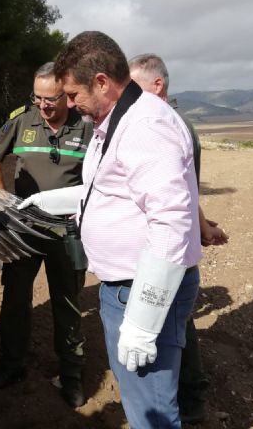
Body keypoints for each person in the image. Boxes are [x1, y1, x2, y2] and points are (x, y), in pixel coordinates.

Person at [19, 32, 201, 428]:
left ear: (101, 81)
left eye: (71, 93)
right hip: (124, 287)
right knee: (139, 397)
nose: (68, 104)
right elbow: (105, 188)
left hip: (141, 290)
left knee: (151, 411)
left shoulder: (144, 126)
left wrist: (142, 322)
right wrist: (47, 202)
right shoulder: (117, 120)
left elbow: (170, 223)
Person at [0, 62, 93, 407]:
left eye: (51, 99)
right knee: (15, 299)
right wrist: (2, 199)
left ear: (68, 96)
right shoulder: (23, 119)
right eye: (37, 97)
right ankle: (12, 365)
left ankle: (72, 376)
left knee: (68, 304)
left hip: (67, 231)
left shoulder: (87, 128)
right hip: (25, 228)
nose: (43, 105)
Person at [129, 53, 229, 423]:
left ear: (158, 86)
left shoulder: (170, 126)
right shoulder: (153, 123)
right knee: (174, 325)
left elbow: (181, 194)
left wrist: (198, 228)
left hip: (165, 251)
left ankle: (187, 401)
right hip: (163, 245)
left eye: (134, 88)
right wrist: (202, 226)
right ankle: (185, 398)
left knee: (172, 326)